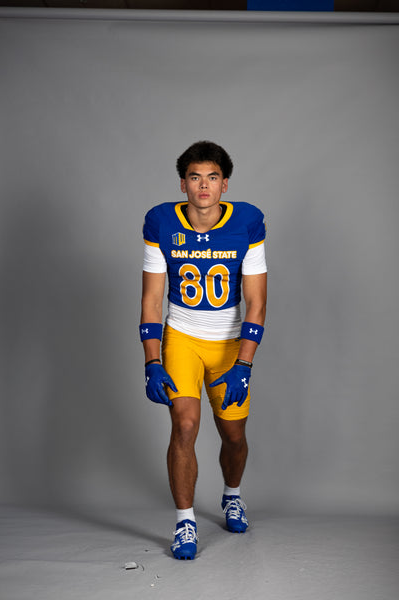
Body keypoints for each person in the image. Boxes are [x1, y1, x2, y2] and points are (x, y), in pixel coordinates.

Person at [139, 141, 267, 560]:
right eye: (195, 177)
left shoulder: (247, 221)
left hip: (229, 343)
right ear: (183, 184)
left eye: (212, 177)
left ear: (224, 184)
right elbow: (151, 300)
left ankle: (232, 494)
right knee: (185, 426)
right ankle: (185, 521)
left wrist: (244, 363)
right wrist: (152, 360)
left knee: (234, 435)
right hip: (182, 338)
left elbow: (257, 302)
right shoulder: (161, 221)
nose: (204, 186)